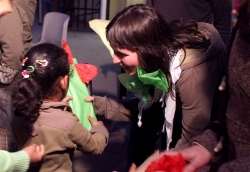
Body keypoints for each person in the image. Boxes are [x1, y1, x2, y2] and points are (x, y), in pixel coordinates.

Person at [85, 4, 226, 168]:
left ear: (148, 50)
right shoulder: (160, 56)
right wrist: (96, 104)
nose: (114, 60)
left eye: (122, 54)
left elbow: (190, 143)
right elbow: (146, 108)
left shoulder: (191, 74)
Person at [145, 0, 250, 171]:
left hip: (193, 65)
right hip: (161, 61)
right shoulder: (244, 18)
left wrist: (219, 64)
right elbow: (231, 119)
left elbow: (223, 24)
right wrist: (207, 145)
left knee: (182, 128)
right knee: (154, 125)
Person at [10, 43, 109, 171]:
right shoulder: (68, 122)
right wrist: (99, 129)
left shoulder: (19, 112)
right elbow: (95, 147)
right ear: (63, 81)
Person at [0, 0, 37, 151]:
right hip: (11, 75)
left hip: (8, 80)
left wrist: (3, 78)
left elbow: (13, 53)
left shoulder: (10, 9)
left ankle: (10, 162)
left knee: (5, 127)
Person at [146, 0, 232, 46]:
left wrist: (220, 60)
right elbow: (149, 15)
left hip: (193, 57)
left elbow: (223, 24)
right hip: (159, 51)